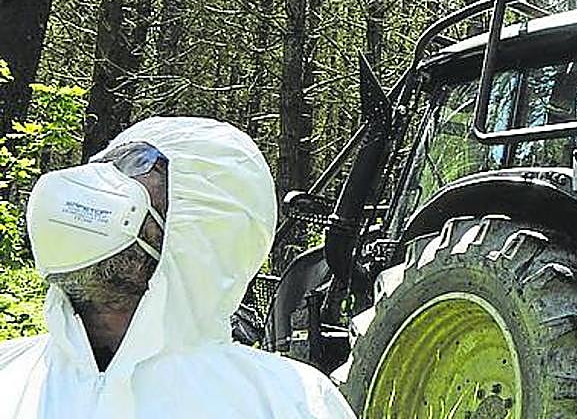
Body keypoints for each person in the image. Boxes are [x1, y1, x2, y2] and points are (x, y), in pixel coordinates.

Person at [0, 116, 356, 419]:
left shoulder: (289, 404)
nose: (105, 182)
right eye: (108, 164)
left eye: (139, 163)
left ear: (206, 227)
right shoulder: (9, 373)